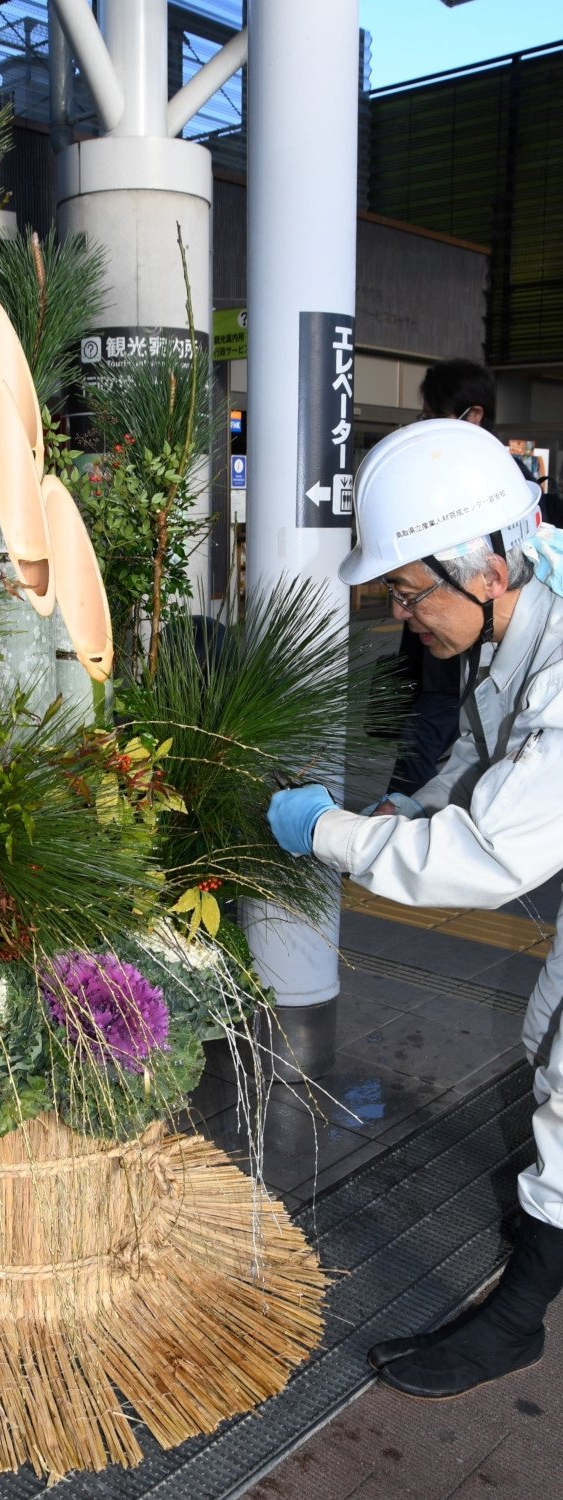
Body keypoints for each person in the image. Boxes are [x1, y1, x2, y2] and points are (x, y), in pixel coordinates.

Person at [266, 419, 563, 1400]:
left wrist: (331, 836)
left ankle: (517, 1319)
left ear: (480, 565)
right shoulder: (527, 600)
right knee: (547, 1037)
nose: (404, 616)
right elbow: (483, 763)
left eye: (407, 590)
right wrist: (400, 811)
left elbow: (489, 852)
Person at [387, 359, 504, 795]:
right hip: (443, 648)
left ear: (472, 415)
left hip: (466, 651)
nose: (425, 426)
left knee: (437, 731)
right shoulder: (432, 477)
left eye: (431, 414)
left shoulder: (501, 484)